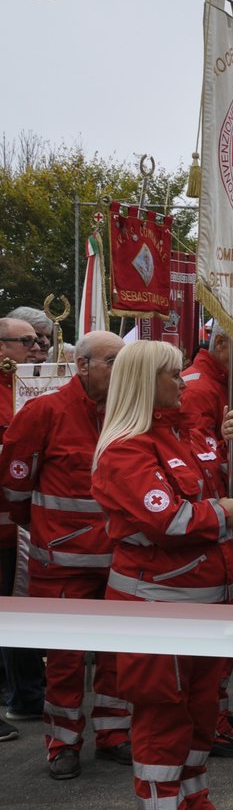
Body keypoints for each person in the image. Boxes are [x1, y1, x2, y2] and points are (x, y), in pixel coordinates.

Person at [91, 340, 233, 810]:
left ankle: (193, 802)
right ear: (146, 382)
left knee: (201, 710)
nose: (183, 383)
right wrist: (221, 514)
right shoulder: (125, 450)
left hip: (205, 605)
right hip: (157, 608)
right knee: (163, 715)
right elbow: (170, 520)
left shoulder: (183, 435)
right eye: (172, 375)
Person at [1, 331, 132, 775]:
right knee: (64, 660)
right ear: (82, 366)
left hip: (118, 563)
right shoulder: (44, 413)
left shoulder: (127, 414)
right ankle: (63, 743)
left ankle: (114, 733)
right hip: (62, 566)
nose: (121, 370)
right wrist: (52, 535)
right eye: (112, 361)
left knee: (118, 655)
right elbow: (15, 491)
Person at [180, 330, 233, 756]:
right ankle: (209, 723)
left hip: (224, 536)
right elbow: (201, 478)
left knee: (223, 634)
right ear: (225, 344)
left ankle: (218, 714)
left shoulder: (225, 388)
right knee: (209, 644)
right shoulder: (199, 390)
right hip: (206, 537)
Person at [0, 316, 50, 738]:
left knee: (20, 614)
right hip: (6, 522)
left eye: (41, 341)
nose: (39, 348)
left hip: (22, 527)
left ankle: (27, 693)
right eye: (27, 342)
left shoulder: (32, 388)